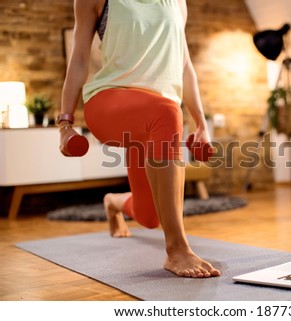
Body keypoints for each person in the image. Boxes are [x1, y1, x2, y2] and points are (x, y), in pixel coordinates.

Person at [58, 0, 220, 278]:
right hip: (109, 101)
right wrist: (65, 122)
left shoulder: (177, 3)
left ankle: (113, 202)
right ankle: (177, 248)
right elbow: (80, 58)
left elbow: (185, 67)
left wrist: (201, 124)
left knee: (150, 216)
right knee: (168, 111)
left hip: (156, 120)